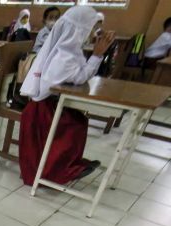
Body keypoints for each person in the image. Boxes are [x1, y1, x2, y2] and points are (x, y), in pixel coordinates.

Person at [19, 6, 115, 186]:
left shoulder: (69, 51)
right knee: (74, 125)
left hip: (49, 105)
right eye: (91, 29)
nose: (93, 33)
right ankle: (58, 170)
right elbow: (79, 77)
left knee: (78, 120)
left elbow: (78, 77)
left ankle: (67, 164)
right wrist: (96, 56)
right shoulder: (64, 56)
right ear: (79, 31)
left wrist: (95, 55)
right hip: (43, 110)